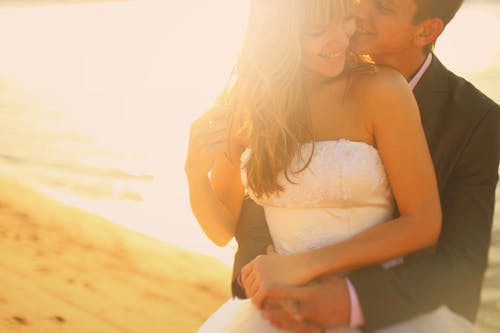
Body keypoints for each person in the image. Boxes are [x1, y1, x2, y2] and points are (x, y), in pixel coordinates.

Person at [185, 0, 485, 331]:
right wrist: (194, 174)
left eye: (343, 21)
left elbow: (424, 224)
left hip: (377, 310)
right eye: (317, 31)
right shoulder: (244, 104)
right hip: (275, 308)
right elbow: (222, 230)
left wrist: (303, 267)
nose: (341, 40)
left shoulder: (382, 88)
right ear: (280, 35)